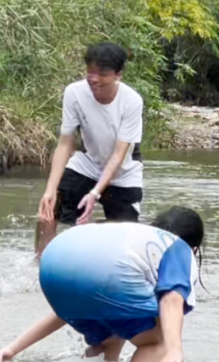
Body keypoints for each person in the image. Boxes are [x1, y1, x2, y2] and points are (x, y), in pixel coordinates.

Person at [0, 207, 204, 362]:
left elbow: (67, 310)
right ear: (195, 249)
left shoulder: (134, 239)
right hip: (104, 273)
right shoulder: (180, 249)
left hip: (54, 259)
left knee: (113, 331)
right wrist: (173, 349)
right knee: (159, 340)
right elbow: (171, 301)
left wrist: (13, 348)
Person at [36, 42, 143, 257]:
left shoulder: (131, 101)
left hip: (124, 173)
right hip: (88, 164)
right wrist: (50, 190)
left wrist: (95, 192)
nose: (94, 79)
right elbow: (65, 143)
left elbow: (119, 155)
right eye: (90, 72)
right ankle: (41, 266)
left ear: (118, 75)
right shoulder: (74, 93)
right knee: (46, 214)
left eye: (102, 74)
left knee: (124, 238)